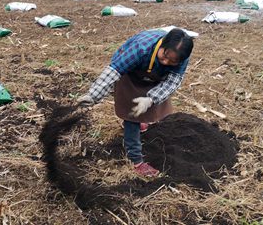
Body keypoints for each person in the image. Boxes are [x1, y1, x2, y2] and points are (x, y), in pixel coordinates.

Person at [77, 28, 194, 178]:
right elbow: (114, 71)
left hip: (155, 78)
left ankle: (141, 120)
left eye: (172, 62)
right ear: (162, 45)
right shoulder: (141, 48)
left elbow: (172, 83)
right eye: (164, 56)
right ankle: (136, 160)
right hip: (130, 73)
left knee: (153, 108)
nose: (166, 62)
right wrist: (93, 96)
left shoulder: (181, 57)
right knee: (132, 115)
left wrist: (151, 99)